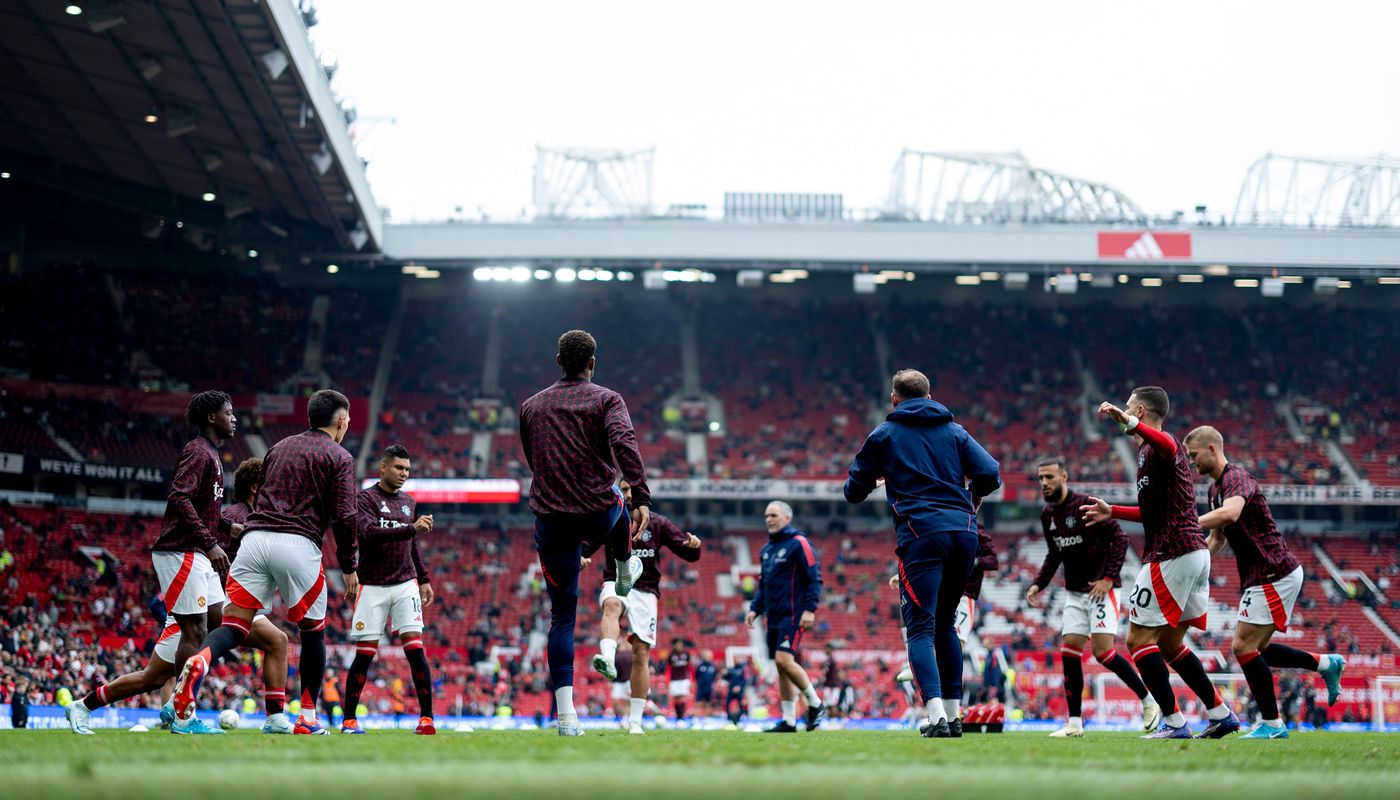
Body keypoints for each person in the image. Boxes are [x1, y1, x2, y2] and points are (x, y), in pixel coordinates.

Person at [171, 389, 359, 736]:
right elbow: (346, 516)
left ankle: (199, 661)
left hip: (254, 541)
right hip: (298, 544)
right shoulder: (340, 457)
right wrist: (348, 565)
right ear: (342, 420)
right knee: (312, 631)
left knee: (234, 627)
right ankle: (306, 717)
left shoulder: (278, 447)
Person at [846, 369, 1000, 738]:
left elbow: (853, 490)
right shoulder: (955, 431)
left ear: (894, 400)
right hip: (964, 533)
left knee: (920, 628)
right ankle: (954, 714)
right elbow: (991, 472)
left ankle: (936, 717)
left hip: (920, 534)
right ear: (930, 398)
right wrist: (971, 499)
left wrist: (879, 477)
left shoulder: (884, 435)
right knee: (946, 624)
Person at [1081, 387, 1240, 739]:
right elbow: (1153, 512)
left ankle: (1174, 722)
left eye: (1128, 406)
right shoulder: (1145, 451)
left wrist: (1130, 422)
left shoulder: (1162, 444)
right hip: (1192, 551)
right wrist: (1113, 511)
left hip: (1173, 553)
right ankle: (1221, 713)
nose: (1123, 410)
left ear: (1139, 408)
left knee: (1138, 640)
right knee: (1169, 644)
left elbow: (1170, 444)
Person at [520, 330, 650, 736]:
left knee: (562, 618)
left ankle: (566, 718)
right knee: (621, 504)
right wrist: (641, 494)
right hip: (597, 510)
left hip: (551, 518)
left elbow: (532, 457)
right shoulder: (606, 399)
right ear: (592, 362)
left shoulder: (530, 406)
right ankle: (624, 564)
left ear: (557, 361)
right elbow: (624, 443)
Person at [1185, 426, 1346, 739]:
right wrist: (1193, 564)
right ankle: (1326, 664)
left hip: (1274, 570)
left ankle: (1272, 724)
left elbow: (1230, 515)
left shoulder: (1236, 478)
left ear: (1211, 448)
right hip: (1263, 574)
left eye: (1194, 455)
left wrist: (1186, 523)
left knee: (1242, 646)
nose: (1192, 463)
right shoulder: (1213, 489)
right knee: (1259, 649)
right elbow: (1217, 537)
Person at [1027, 458, 1160, 737]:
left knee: (1103, 654)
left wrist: (1108, 578)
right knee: (1069, 652)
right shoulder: (1047, 516)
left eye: (1049, 477)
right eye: (1040, 478)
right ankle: (1074, 724)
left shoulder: (1085, 505)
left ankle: (1149, 700)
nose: (1044, 483)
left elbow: (1120, 539)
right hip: (1074, 592)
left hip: (1103, 588)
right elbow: (1054, 554)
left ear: (1064, 476)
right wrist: (1039, 584)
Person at [145, 391, 236, 733]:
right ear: (212, 417)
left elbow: (203, 509)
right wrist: (211, 542)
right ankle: (183, 713)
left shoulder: (212, 454)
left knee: (219, 623)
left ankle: (174, 703)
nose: (234, 418)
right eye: (229, 413)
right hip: (182, 550)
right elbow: (179, 497)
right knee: (194, 629)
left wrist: (228, 525)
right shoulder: (198, 451)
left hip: (196, 550)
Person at [583, 479, 701, 735]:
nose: (625, 494)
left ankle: (635, 721)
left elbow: (687, 551)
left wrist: (694, 547)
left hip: (646, 591)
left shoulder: (658, 523)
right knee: (612, 605)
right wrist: (581, 555)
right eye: (621, 490)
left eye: (628, 489)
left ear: (641, 492)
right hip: (616, 579)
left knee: (641, 654)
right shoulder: (611, 517)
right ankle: (607, 656)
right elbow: (586, 545)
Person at [341, 444, 438, 735]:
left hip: (405, 583)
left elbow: (412, 546)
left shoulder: (409, 501)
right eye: (398, 468)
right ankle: (349, 720)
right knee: (365, 654)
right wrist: (412, 529)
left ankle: (427, 719)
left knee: (415, 650)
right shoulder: (365, 499)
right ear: (383, 467)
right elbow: (369, 533)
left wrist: (423, 578)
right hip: (372, 586)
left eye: (407, 469)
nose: (403, 474)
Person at [66, 611, 291, 735]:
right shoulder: (210, 543)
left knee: (277, 639)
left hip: (225, 604)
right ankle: (83, 705)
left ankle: (275, 717)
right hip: (195, 616)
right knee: (152, 678)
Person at [744, 501, 825, 733]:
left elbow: (814, 579)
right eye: (767, 516)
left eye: (774, 515)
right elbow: (763, 585)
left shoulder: (799, 544)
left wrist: (810, 609)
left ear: (787, 518)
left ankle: (816, 703)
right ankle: (789, 721)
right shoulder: (766, 550)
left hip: (794, 615)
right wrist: (755, 609)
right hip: (773, 617)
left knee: (783, 661)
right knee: (781, 668)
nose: (769, 519)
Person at [666, 638, 695, 723]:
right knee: (676, 698)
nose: (679, 646)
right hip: (674, 680)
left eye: (680, 644)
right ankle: (678, 717)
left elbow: (690, 667)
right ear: (674, 645)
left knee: (682, 698)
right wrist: (667, 681)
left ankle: (682, 717)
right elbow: (668, 669)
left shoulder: (686, 654)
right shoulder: (671, 655)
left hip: (684, 679)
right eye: (677, 644)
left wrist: (692, 679)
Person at [694, 650, 719, 718]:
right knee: (698, 702)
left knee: (708, 703)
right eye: (706, 655)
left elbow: (715, 676)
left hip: (709, 687)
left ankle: (707, 718)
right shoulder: (700, 666)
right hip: (701, 687)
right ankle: (697, 718)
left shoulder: (713, 666)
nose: (707, 657)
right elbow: (696, 676)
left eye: (709, 655)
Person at [723, 659, 749, 724]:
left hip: (739, 690)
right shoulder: (731, 669)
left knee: (741, 704)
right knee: (727, 703)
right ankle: (728, 717)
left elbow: (744, 680)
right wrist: (724, 674)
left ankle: (742, 717)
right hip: (731, 690)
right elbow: (726, 678)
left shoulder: (742, 670)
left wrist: (739, 687)